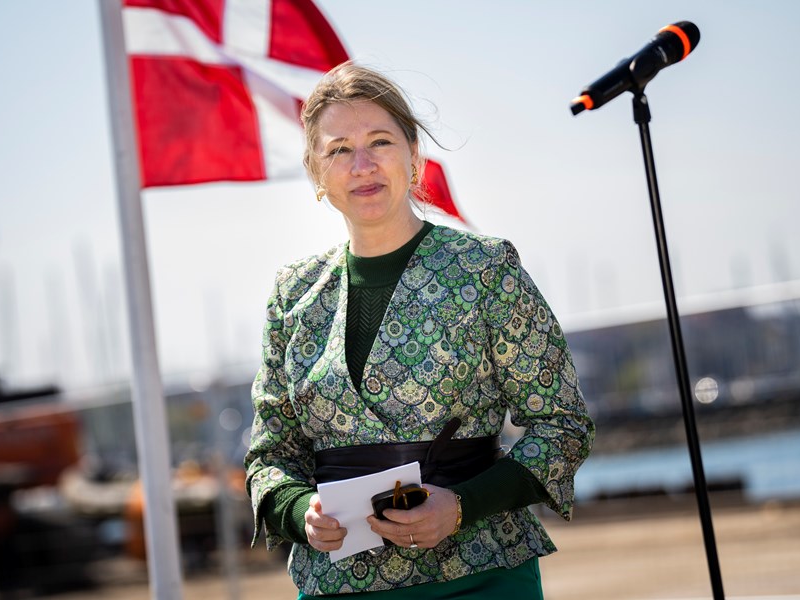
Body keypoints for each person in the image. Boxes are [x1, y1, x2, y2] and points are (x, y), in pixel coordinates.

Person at [244, 62, 594, 599]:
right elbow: (269, 456)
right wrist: (298, 514)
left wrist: (461, 506)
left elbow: (563, 426)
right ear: (317, 172)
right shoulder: (293, 294)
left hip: (480, 576)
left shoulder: (485, 268)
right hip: (336, 585)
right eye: (339, 149)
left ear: (413, 156)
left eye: (379, 142)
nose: (361, 165)